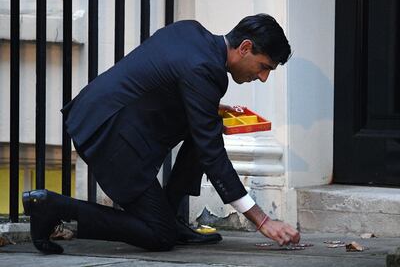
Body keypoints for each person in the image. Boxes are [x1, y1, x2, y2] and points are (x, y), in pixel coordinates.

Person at [22, 13, 300, 254]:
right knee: (159, 234)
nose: (263, 77)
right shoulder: (205, 70)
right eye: (264, 67)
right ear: (245, 47)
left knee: (206, 127)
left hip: (99, 114)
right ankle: (54, 208)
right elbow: (213, 155)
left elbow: (161, 77)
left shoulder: (190, 31)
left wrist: (204, 106)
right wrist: (263, 220)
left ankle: (171, 215)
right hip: (110, 136)